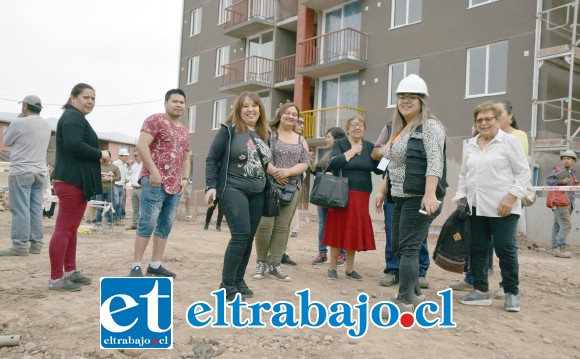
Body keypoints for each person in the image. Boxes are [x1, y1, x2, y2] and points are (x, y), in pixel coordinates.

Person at [376, 74, 447, 314]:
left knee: (407, 249)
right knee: (399, 246)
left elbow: (435, 162)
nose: (405, 101)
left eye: (411, 97)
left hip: (419, 196)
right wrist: (383, 190)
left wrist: (429, 194)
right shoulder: (403, 129)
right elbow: (392, 164)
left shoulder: (430, 126)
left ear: (422, 101)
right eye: (401, 97)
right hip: (401, 196)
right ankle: (414, 293)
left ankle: (404, 301)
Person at [455, 101, 531, 312]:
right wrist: (462, 198)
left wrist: (511, 196)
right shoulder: (470, 144)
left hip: (503, 208)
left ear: (498, 120)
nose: (484, 123)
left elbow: (523, 172)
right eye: (479, 120)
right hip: (476, 207)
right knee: (477, 249)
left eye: (488, 119)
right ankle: (480, 291)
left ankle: (511, 292)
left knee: (505, 250)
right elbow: (464, 175)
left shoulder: (509, 142)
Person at [205, 91, 273, 300]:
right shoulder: (229, 130)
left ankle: (238, 280)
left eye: (254, 105)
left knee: (248, 237)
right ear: (238, 110)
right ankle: (227, 285)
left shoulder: (265, 133)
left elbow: (264, 163)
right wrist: (211, 186)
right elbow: (212, 159)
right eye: (245, 106)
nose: (250, 109)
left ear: (260, 109)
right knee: (241, 235)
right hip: (233, 188)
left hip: (258, 191)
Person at [47, 83, 110, 291]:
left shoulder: (75, 117)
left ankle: (69, 271)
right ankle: (56, 278)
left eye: (93, 98)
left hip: (74, 181)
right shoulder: (73, 117)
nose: (90, 102)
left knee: (70, 230)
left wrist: (95, 156)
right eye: (86, 97)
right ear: (73, 98)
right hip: (71, 182)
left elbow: (75, 146)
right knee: (65, 230)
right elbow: (74, 144)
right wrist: (100, 153)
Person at [128, 89, 191, 278]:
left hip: (175, 185)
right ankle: (136, 266)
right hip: (154, 181)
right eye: (175, 101)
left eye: (182, 102)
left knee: (165, 225)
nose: (179, 105)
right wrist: (154, 171)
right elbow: (142, 145)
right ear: (165, 103)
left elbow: (187, 158)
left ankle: (155, 264)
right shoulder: (154, 120)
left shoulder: (184, 131)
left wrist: (185, 179)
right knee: (148, 222)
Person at [254, 102, 309, 282]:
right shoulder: (268, 133)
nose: (290, 116)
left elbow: (305, 163)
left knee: (281, 228)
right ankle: (261, 262)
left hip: (291, 189)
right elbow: (259, 155)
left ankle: (276, 264)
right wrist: (275, 172)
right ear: (280, 114)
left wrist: (288, 172)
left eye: (294, 114)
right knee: (264, 226)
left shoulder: (301, 139)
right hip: (268, 187)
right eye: (287, 113)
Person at [323, 114, 382, 281]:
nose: (357, 127)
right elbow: (333, 163)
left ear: (364, 129)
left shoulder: (370, 147)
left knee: (353, 230)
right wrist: (351, 151)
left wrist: (385, 156)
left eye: (361, 124)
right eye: (354, 124)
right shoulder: (340, 144)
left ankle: (350, 269)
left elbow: (379, 170)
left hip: (362, 195)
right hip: (341, 193)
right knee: (337, 229)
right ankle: (333, 267)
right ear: (348, 128)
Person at [372, 124, 431, 289]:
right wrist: (381, 192)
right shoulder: (390, 128)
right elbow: (377, 155)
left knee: (418, 234)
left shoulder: (426, 128)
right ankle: (393, 270)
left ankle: (419, 272)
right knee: (393, 234)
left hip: (417, 194)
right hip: (394, 195)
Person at [0, 95, 51, 256]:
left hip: (21, 171)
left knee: (20, 208)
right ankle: (36, 244)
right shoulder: (46, 124)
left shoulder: (19, 122)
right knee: (35, 208)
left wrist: (17, 120)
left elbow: (7, 141)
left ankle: (20, 245)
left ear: (24, 107)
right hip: (40, 172)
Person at [310, 127, 347, 266]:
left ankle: (342, 254)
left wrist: (334, 175)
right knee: (323, 224)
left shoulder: (344, 153)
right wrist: (312, 162)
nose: (326, 140)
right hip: (324, 193)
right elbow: (318, 173)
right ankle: (322, 252)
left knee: (339, 225)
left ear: (337, 139)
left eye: (328, 137)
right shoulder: (326, 155)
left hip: (337, 193)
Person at [546, 150, 578, 258]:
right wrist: (561, 182)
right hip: (560, 202)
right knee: (566, 225)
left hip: (568, 202)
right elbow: (549, 181)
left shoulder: (572, 174)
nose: (566, 161)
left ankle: (555, 248)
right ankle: (560, 247)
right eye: (564, 159)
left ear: (574, 161)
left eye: (569, 159)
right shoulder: (558, 170)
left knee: (558, 226)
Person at [95, 151, 120, 229]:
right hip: (99, 189)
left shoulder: (115, 167)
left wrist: (109, 178)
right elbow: (94, 175)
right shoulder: (98, 166)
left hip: (110, 189)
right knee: (99, 206)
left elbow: (119, 178)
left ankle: (109, 223)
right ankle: (98, 223)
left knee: (109, 207)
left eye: (105, 156)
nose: (103, 157)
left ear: (109, 157)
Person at [113, 148, 130, 224]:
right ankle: (111, 218)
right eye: (125, 156)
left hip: (122, 186)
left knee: (120, 203)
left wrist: (126, 179)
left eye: (127, 156)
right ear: (120, 156)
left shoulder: (125, 165)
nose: (127, 157)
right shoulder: (115, 164)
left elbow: (125, 174)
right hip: (115, 185)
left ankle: (117, 220)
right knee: (115, 202)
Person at [126, 150, 143, 230]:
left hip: (142, 189)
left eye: (136, 155)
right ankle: (134, 224)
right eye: (134, 156)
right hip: (134, 188)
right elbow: (128, 173)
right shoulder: (134, 165)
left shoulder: (145, 165)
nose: (135, 157)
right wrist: (130, 165)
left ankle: (143, 225)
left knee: (143, 208)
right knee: (135, 208)